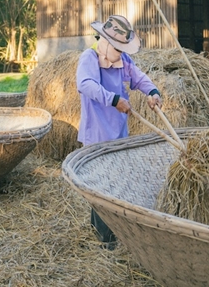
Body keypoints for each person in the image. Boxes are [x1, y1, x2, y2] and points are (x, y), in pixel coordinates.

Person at [76, 14, 162, 249]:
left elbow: (138, 77)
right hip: (97, 134)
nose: (120, 53)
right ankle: (106, 239)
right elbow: (85, 84)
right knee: (101, 186)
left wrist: (152, 92)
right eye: (117, 48)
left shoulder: (123, 61)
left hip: (118, 133)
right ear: (104, 41)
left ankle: (106, 231)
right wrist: (114, 99)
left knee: (114, 184)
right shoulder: (90, 58)